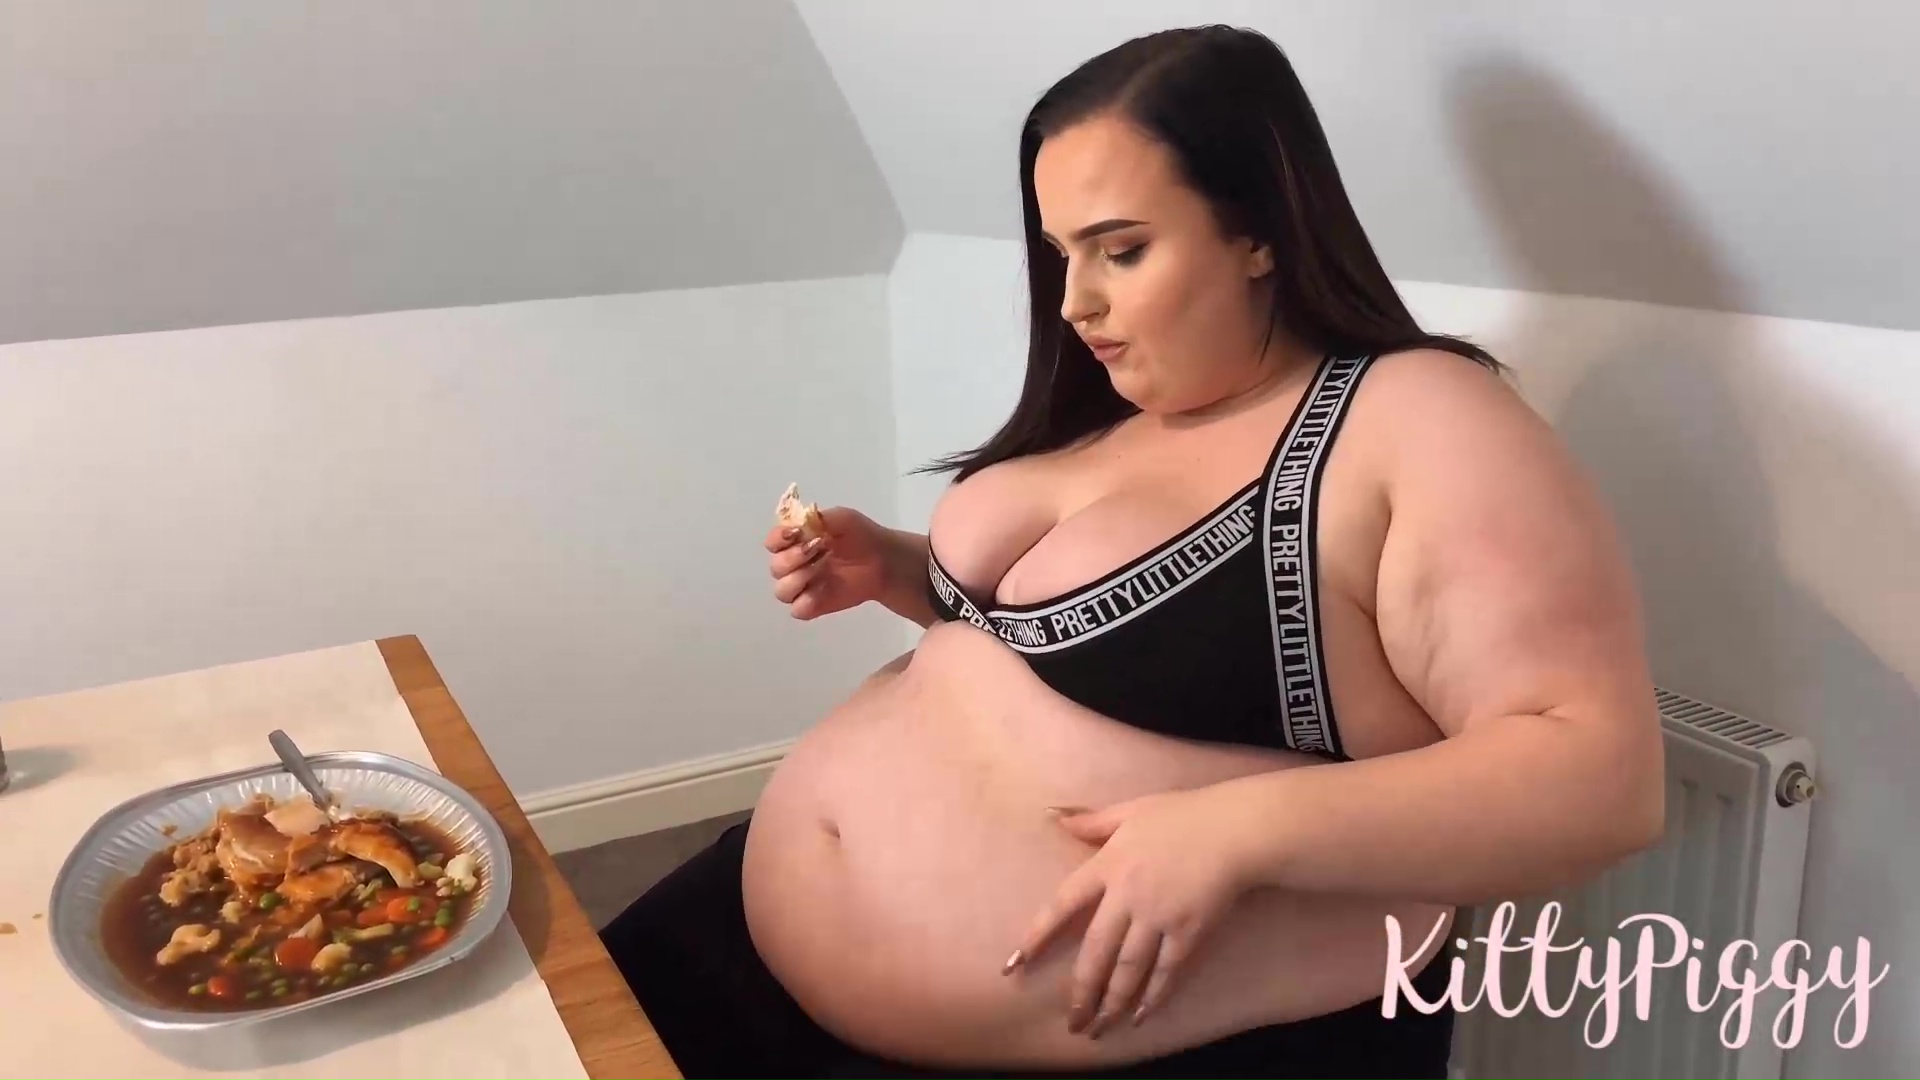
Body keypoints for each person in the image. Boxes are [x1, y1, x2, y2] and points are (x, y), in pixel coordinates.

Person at [600, 23, 1665, 1080]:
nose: (1075, 303)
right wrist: (897, 568)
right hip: (752, 931)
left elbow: (1600, 777)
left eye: (1122, 250)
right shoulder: (1123, 404)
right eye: (1062, 254)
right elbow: (1069, 656)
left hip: (1097, 1033)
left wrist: (1233, 831)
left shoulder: (1413, 416)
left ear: (1259, 232)